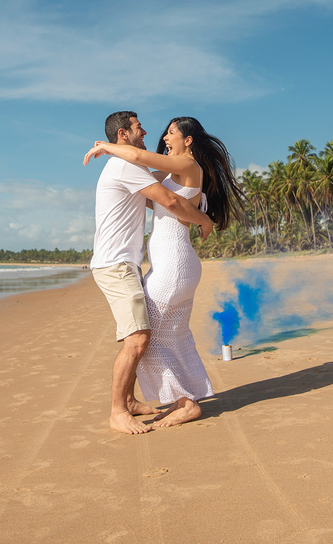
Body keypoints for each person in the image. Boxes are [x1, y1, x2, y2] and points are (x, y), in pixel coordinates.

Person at [84, 116, 244, 428]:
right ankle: (184, 397)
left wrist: (106, 147)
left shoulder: (188, 165)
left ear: (189, 141)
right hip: (176, 264)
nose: (162, 136)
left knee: (149, 338)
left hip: (173, 264)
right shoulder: (173, 173)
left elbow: (141, 161)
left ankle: (185, 402)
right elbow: (148, 190)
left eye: (171, 133)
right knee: (176, 335)